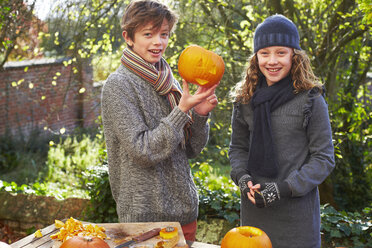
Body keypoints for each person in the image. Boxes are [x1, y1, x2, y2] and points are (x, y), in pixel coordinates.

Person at [101, 0, 218, 242]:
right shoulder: (118, 86)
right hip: (144, 220)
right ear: (128, 37)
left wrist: (199, 114)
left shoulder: (169, 81)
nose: (158, 42)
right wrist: (182, 110)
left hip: (184, 214)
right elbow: (142, 150)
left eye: (164, 34)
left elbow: (192, 149)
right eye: (148, 34)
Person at [228, 14, 335, 248]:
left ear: (294, 56)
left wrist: (284, 189)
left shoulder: (311, 100)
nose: (272, 61)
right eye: (264, 53)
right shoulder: (244, 100)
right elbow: (238, 149)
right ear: (256, 57)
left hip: (297, 219)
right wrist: (242, 177)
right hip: (254, 213)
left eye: (281, 52)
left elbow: (324, 159)